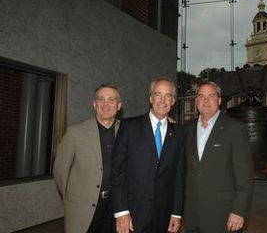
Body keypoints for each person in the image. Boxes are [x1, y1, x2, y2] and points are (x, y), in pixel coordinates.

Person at [111, 77, 185, 233]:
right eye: (158, 94)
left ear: (173, 101)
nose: (162, 100)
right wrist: (121, 211)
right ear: (151, 98)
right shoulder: (129, 127)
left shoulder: (179, 133)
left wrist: (176, 213)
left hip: (163, 216)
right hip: (131, 215)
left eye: (168, 95)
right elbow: (117, 172)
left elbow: (179, 176)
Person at [183, 81, 254, 233]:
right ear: (196, 101)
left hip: (223, 216)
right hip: (192, 215)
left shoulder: (235, 129)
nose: (206, 100)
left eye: (211, 96)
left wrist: (239, 211)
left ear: (219, 101)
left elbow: (245, 177)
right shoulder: (186, 129)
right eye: (201, 96)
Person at [53, 83, 122, 233]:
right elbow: (60, 170)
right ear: (94, 103)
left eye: (111, 99)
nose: (105, 104)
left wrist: (166, 122)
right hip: (83, 208)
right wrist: (72, 198)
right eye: (101, 99)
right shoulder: (74, 133)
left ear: (118, 105)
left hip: (116, 208)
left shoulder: (127, 131)